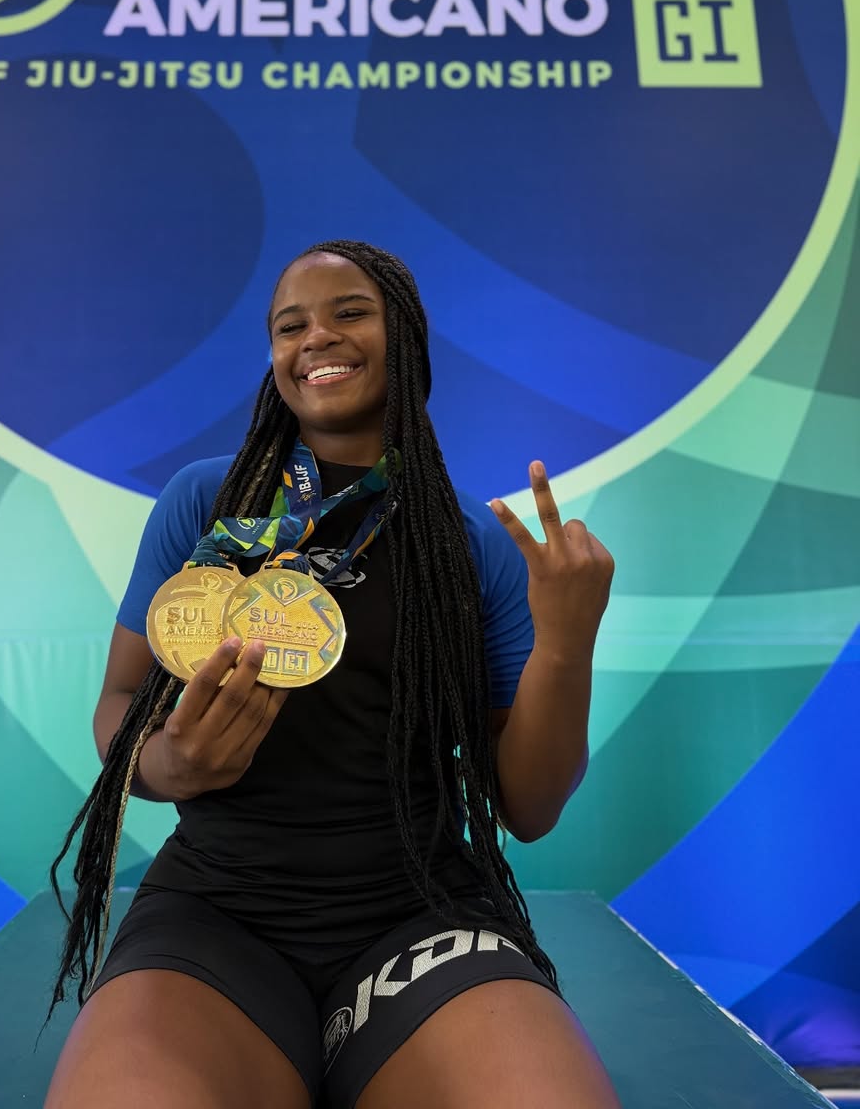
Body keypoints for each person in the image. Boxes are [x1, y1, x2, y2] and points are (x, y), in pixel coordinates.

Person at [45, 240, 620, 1109]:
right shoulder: (204, 504)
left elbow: (527, 809)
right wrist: (171, 765)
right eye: (290, 326)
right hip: (218, 911)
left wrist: (566, 647)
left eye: (350, 312)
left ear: (407, 337)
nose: (316, 336)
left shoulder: (470, 541)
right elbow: (120, 703)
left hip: (419, 915)